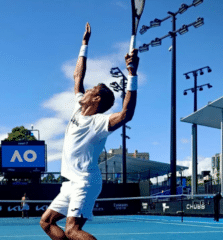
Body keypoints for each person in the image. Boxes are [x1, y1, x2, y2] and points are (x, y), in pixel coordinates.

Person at [40, 22, 139, 240]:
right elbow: (78, 76)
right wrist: (84, 44)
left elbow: (126, 114)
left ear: (96, 99)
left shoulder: (99, 123)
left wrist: (132, 74)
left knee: (72, 230)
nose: (86, 89)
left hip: (85, 181)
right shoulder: (78, 107)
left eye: (92, 89)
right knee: (46, 222)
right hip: (70, 182)